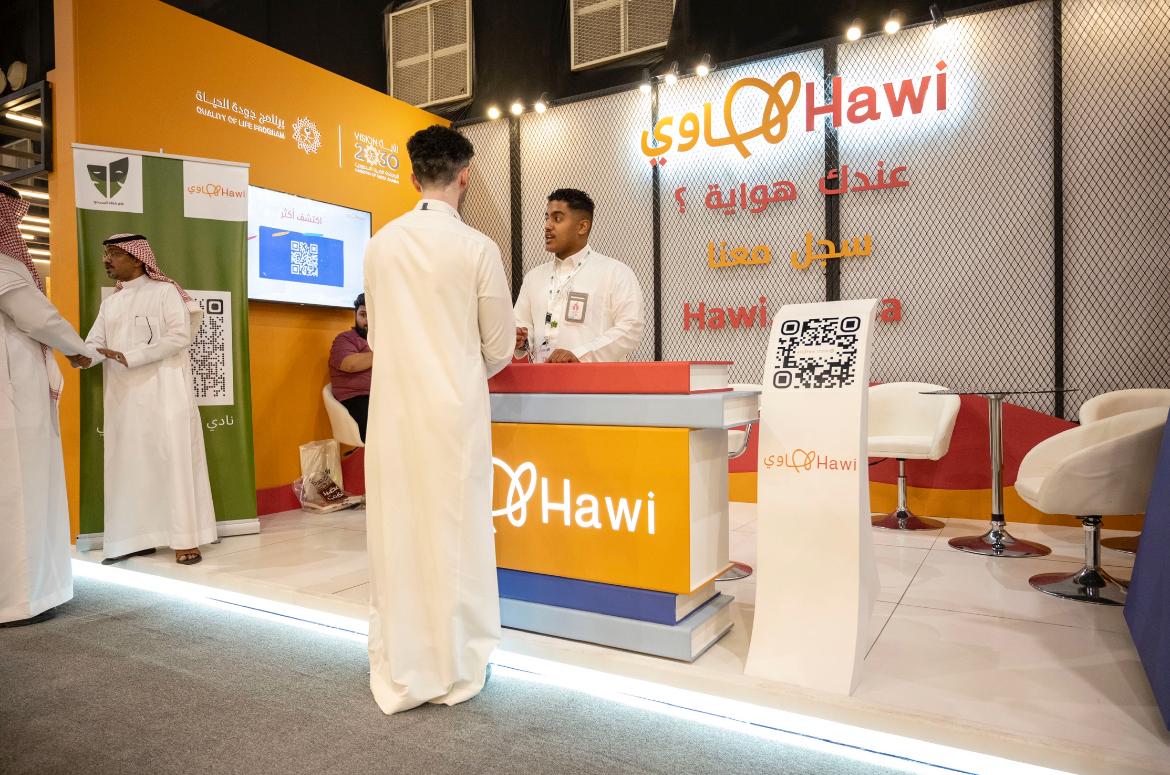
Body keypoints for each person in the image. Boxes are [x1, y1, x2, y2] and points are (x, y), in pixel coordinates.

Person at [363, 124, 514, 714]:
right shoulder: (478, 248)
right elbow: (498, 346)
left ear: (412, 176)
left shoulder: (380, 244)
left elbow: (376, 334)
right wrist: (461, 362)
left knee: (399, 530)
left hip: (394, 412)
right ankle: (457, 664)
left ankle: (405, 659)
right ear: (465, 175)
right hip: (455, 413)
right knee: (458, 532)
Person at [83, 234, 216, 566]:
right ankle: (134, 538)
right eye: (106, 253)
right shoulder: (111, 303)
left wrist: (130, 356)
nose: (106, 260)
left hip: (164, 392)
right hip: (124, 398)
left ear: (137, 258)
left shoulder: (165, 292)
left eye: (114, 253)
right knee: (128, 465)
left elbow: (179, 336)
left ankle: (185, 540)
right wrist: (83, 356)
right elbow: (95, 342)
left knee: (172, 461)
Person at [0, 181, 96, 627]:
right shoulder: (5, 267)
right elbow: (39, 317)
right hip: (13, 398)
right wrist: (80, 350)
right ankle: (20, 598)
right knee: (19, 487)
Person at [513, 188, 645, 363]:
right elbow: (521, 324)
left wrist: (580, 355)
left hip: (595, 380)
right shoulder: (534, 277)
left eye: (557, 219)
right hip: (541, 379)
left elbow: (631, 328)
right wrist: (520, 339)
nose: (547, 225)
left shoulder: (615, 273)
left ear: (582, 227)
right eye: (547, 218)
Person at [329, 293, 372, 441]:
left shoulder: (382, 341)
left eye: (372, 315)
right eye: (363, 315)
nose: (367, 321)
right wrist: (383, 352)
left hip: (381, 397)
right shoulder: (345, 339)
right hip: (356, 399)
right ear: (355, 315)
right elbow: (350, 364)